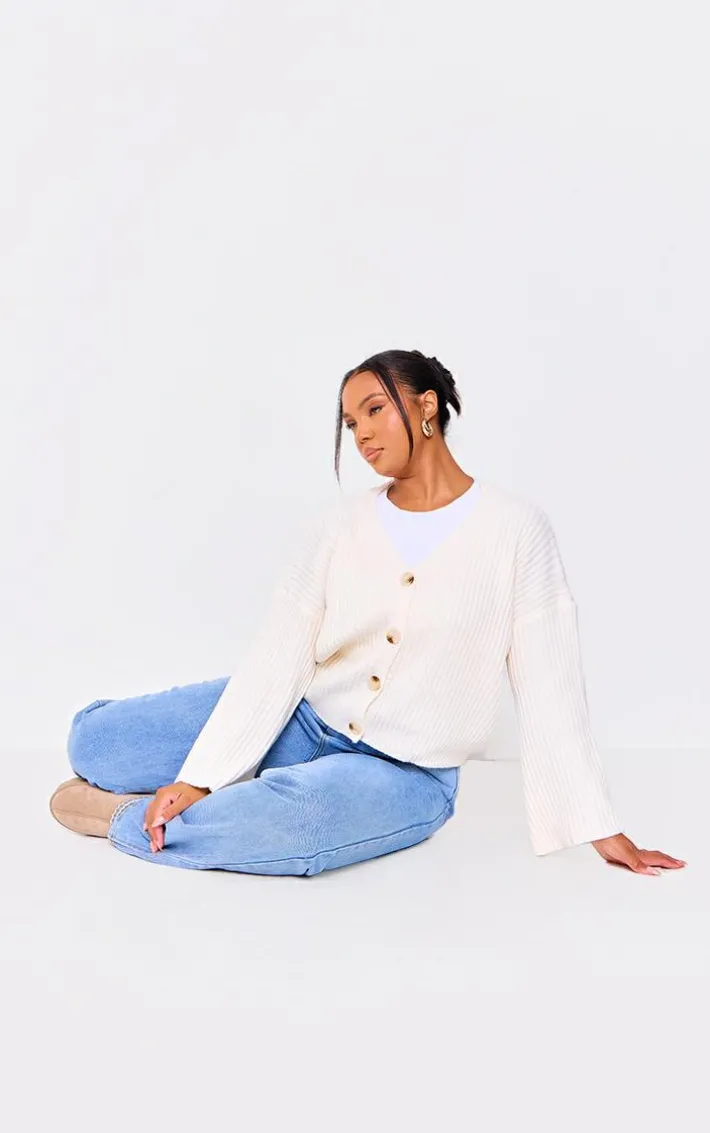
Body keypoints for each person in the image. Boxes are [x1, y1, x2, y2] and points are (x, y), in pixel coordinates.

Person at [50, 349, 687, 877]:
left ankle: (123, 818)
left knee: (297, 827)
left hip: (402, 773)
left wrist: (598, 826)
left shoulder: (516, 530)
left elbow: (551, 684)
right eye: (351, 422)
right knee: (97, 743)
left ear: (427, 406)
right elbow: (278, 654)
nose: (361, 435)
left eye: (375, 410)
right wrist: (201, 776)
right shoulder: (339, 527)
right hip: (300, 718)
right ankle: (204, 796)